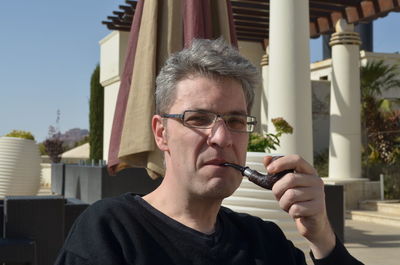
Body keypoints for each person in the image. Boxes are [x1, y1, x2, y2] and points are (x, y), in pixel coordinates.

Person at [55, 38, 363, 265]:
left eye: (235, 120)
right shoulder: (111, 232)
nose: (221, 137)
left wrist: (322, 236)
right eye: (199, 119)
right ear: (161, 133)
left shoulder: (264, 243)